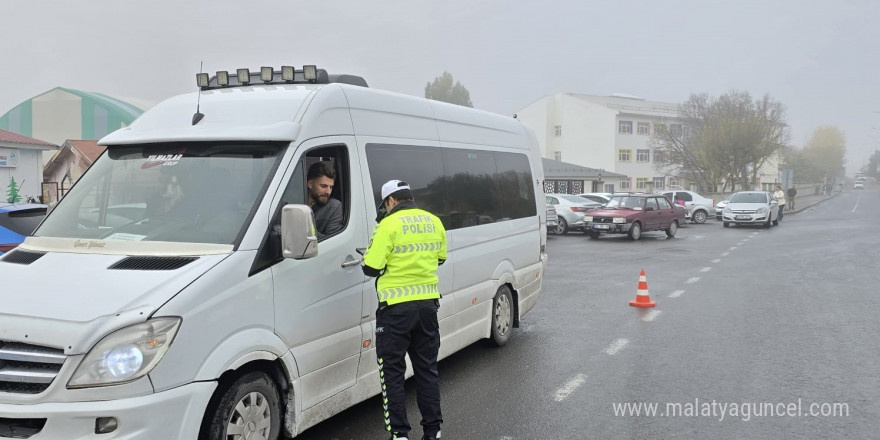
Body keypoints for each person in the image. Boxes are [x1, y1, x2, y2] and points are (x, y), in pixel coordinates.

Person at [362, 180, 447, 440]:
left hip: (395, 312)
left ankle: (399, 434)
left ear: (390, 202)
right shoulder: (434, 221)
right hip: (427, 309)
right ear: (410, 197)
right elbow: (440, 258)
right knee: (427, 371)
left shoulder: (387, 225)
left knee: (393, 375)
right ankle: (433, 432)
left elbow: (371, 267)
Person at [307, 162, 344, 239]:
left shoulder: (333, 207)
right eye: (323, 186)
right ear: (310, 184)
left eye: (331, 187)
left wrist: (307, 229)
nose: (328, 192)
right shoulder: (293, 202)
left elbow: (332, 240)